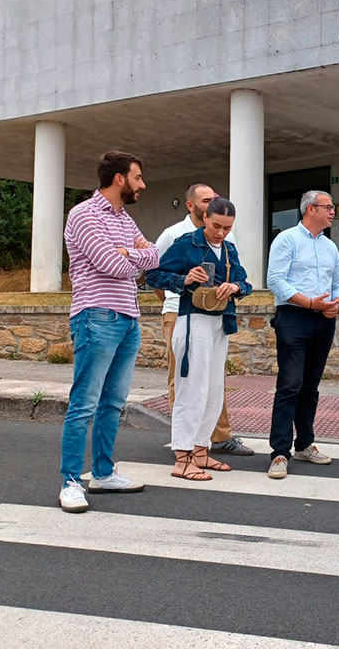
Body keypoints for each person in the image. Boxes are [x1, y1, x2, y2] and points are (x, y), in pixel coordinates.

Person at [58, 150, 159, 513]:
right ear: (119, 179)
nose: (142, 184)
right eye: (137, 177)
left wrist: (132, 253)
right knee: (84, 403)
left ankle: (101, 472)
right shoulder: (84, 215)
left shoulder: (123, 218)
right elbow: (111, 265)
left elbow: (156, 256)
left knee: (113, 403)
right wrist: (134, 255)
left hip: (129, 318)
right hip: (95, 316)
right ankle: (70, 481)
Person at [146, 197, 253, 480]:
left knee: (213, 389)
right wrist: (184, 280)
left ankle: (200, 450)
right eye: (216, 226)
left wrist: (235, 287)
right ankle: (182, 458)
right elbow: (153, 275)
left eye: (227, 228)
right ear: (205, 218)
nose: (221, 233)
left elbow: (246, 283)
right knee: (190, 389)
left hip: (220, 323)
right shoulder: (186, 243)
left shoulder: (229, 249)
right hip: (192, 321)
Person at [265, 190, 339, 479]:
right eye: (328, 207)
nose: (333, 211)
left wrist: (337, 303)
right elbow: (275, 280)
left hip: (323, 320)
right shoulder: (286, 239)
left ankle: (304, 444)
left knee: (310, 386)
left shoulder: (330, 247)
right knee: (290, 384)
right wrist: (309, 302)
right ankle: (279, 453)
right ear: (310, 209)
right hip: (293, 317)